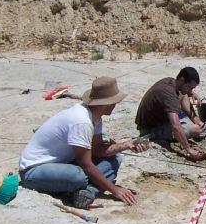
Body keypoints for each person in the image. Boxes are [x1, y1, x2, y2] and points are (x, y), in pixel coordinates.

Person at [19, 77, 147, 208]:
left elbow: (98, 151)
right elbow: (86, 165)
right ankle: (84, 190)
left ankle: (87, 193)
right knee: (78, 176)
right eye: (114, 102)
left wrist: (126, 145)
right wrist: (115, 190)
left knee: (114, 159)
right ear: (106, 103)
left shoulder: (95, 118)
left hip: (62, 163)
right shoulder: (81, 121)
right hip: (33, 171)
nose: (115, 105)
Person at [135, 67, 206, 161]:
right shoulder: (169, 95)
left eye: (192, 88)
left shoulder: (170, 81)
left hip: (156, 121)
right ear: (182, 80)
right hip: (150, 130)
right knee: (195, 130)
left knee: (183, 94)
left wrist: (191, 93)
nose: (190, 90)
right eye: (189, 87)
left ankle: (201, 124)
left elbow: (183, 92)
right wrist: (189, 150)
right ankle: (199, 127)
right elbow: (175, 126)